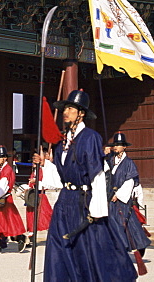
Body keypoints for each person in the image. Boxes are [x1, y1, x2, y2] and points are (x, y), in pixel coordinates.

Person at [44, 89, 135, 282]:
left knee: (87, 250)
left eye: (70, 108)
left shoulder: (90, 137)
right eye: (65, 108)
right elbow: (59, 177)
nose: (66, 112)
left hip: (83, 201)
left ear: (81, 113)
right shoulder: (61, 142)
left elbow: (97, 173)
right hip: (64, 201)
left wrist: (97, 208)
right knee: (58, 247)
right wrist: (43, 164)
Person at [107, 131, 150, 256]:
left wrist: (118, 194)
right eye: (115, 144)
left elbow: (130, 181)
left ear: (124, 147)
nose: (116, 147)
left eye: (119, 144)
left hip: (121, 197)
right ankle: (118, 250)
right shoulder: (110, 160)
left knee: (123, 223)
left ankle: (129, 248)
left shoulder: (129, 163)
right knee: (114, 223)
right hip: (109, 197)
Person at [0, 144, 27, 253]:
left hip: (4, 199)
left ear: (4, 158)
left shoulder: (7, 170)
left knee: (9, 222)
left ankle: (19, 237)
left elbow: (3, 185)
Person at [25, 144, 61, 246]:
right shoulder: (36, 169)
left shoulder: (50, 167)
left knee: (45, 217)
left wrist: (37, 182)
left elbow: (52, 183)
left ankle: (54, 235)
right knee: (31, 216)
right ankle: (31, 237)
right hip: (33, 195)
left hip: (43, 195)